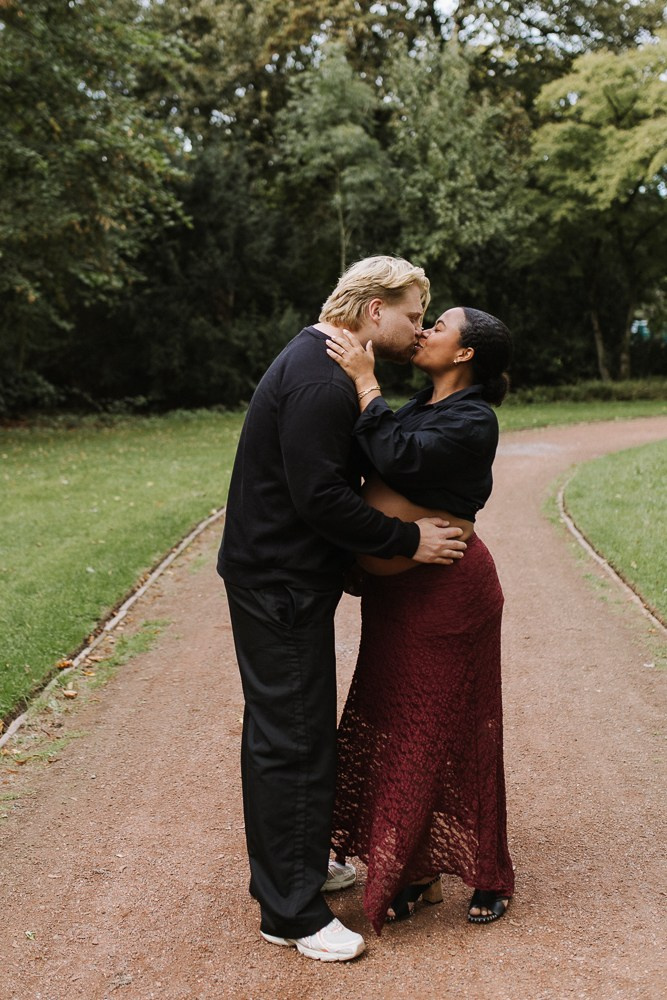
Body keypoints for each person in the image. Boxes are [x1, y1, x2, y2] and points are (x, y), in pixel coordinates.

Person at [217, 257, 468, 962]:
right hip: (279, 584)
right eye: (414, 313)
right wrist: (407, 540)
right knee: (293, 739)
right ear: (372, 310)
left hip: (281, 578)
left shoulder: (324, 368)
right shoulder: (320, 379)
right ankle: (290, 913)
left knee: (285, 732)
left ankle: (293, 868)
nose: (419, 328)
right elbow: (320, 499)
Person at [324, 305, 515, 935]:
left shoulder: (473, 417)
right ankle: (417, 869)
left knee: (450, 727)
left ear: (465, 354)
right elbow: (368, 457)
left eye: (440, 325)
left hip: (450, 597)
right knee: (391, 721)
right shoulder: (417, 408)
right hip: (396, 600)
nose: (426, 329)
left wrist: (365, 382)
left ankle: (489, 872)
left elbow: (399, 460)